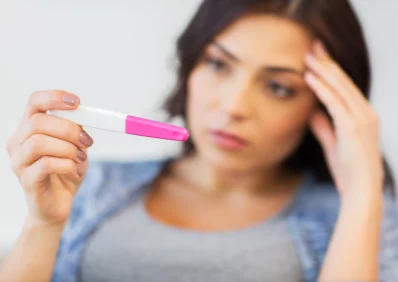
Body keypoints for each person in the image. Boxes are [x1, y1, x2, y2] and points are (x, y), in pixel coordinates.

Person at [1, 0, 398, 281]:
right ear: (190, 64)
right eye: (217, 64)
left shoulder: (360, 219)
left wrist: (364, 191)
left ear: (328, 107)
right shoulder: (89, 185)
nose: (234, 106)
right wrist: (43, 224)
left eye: (278, 87)